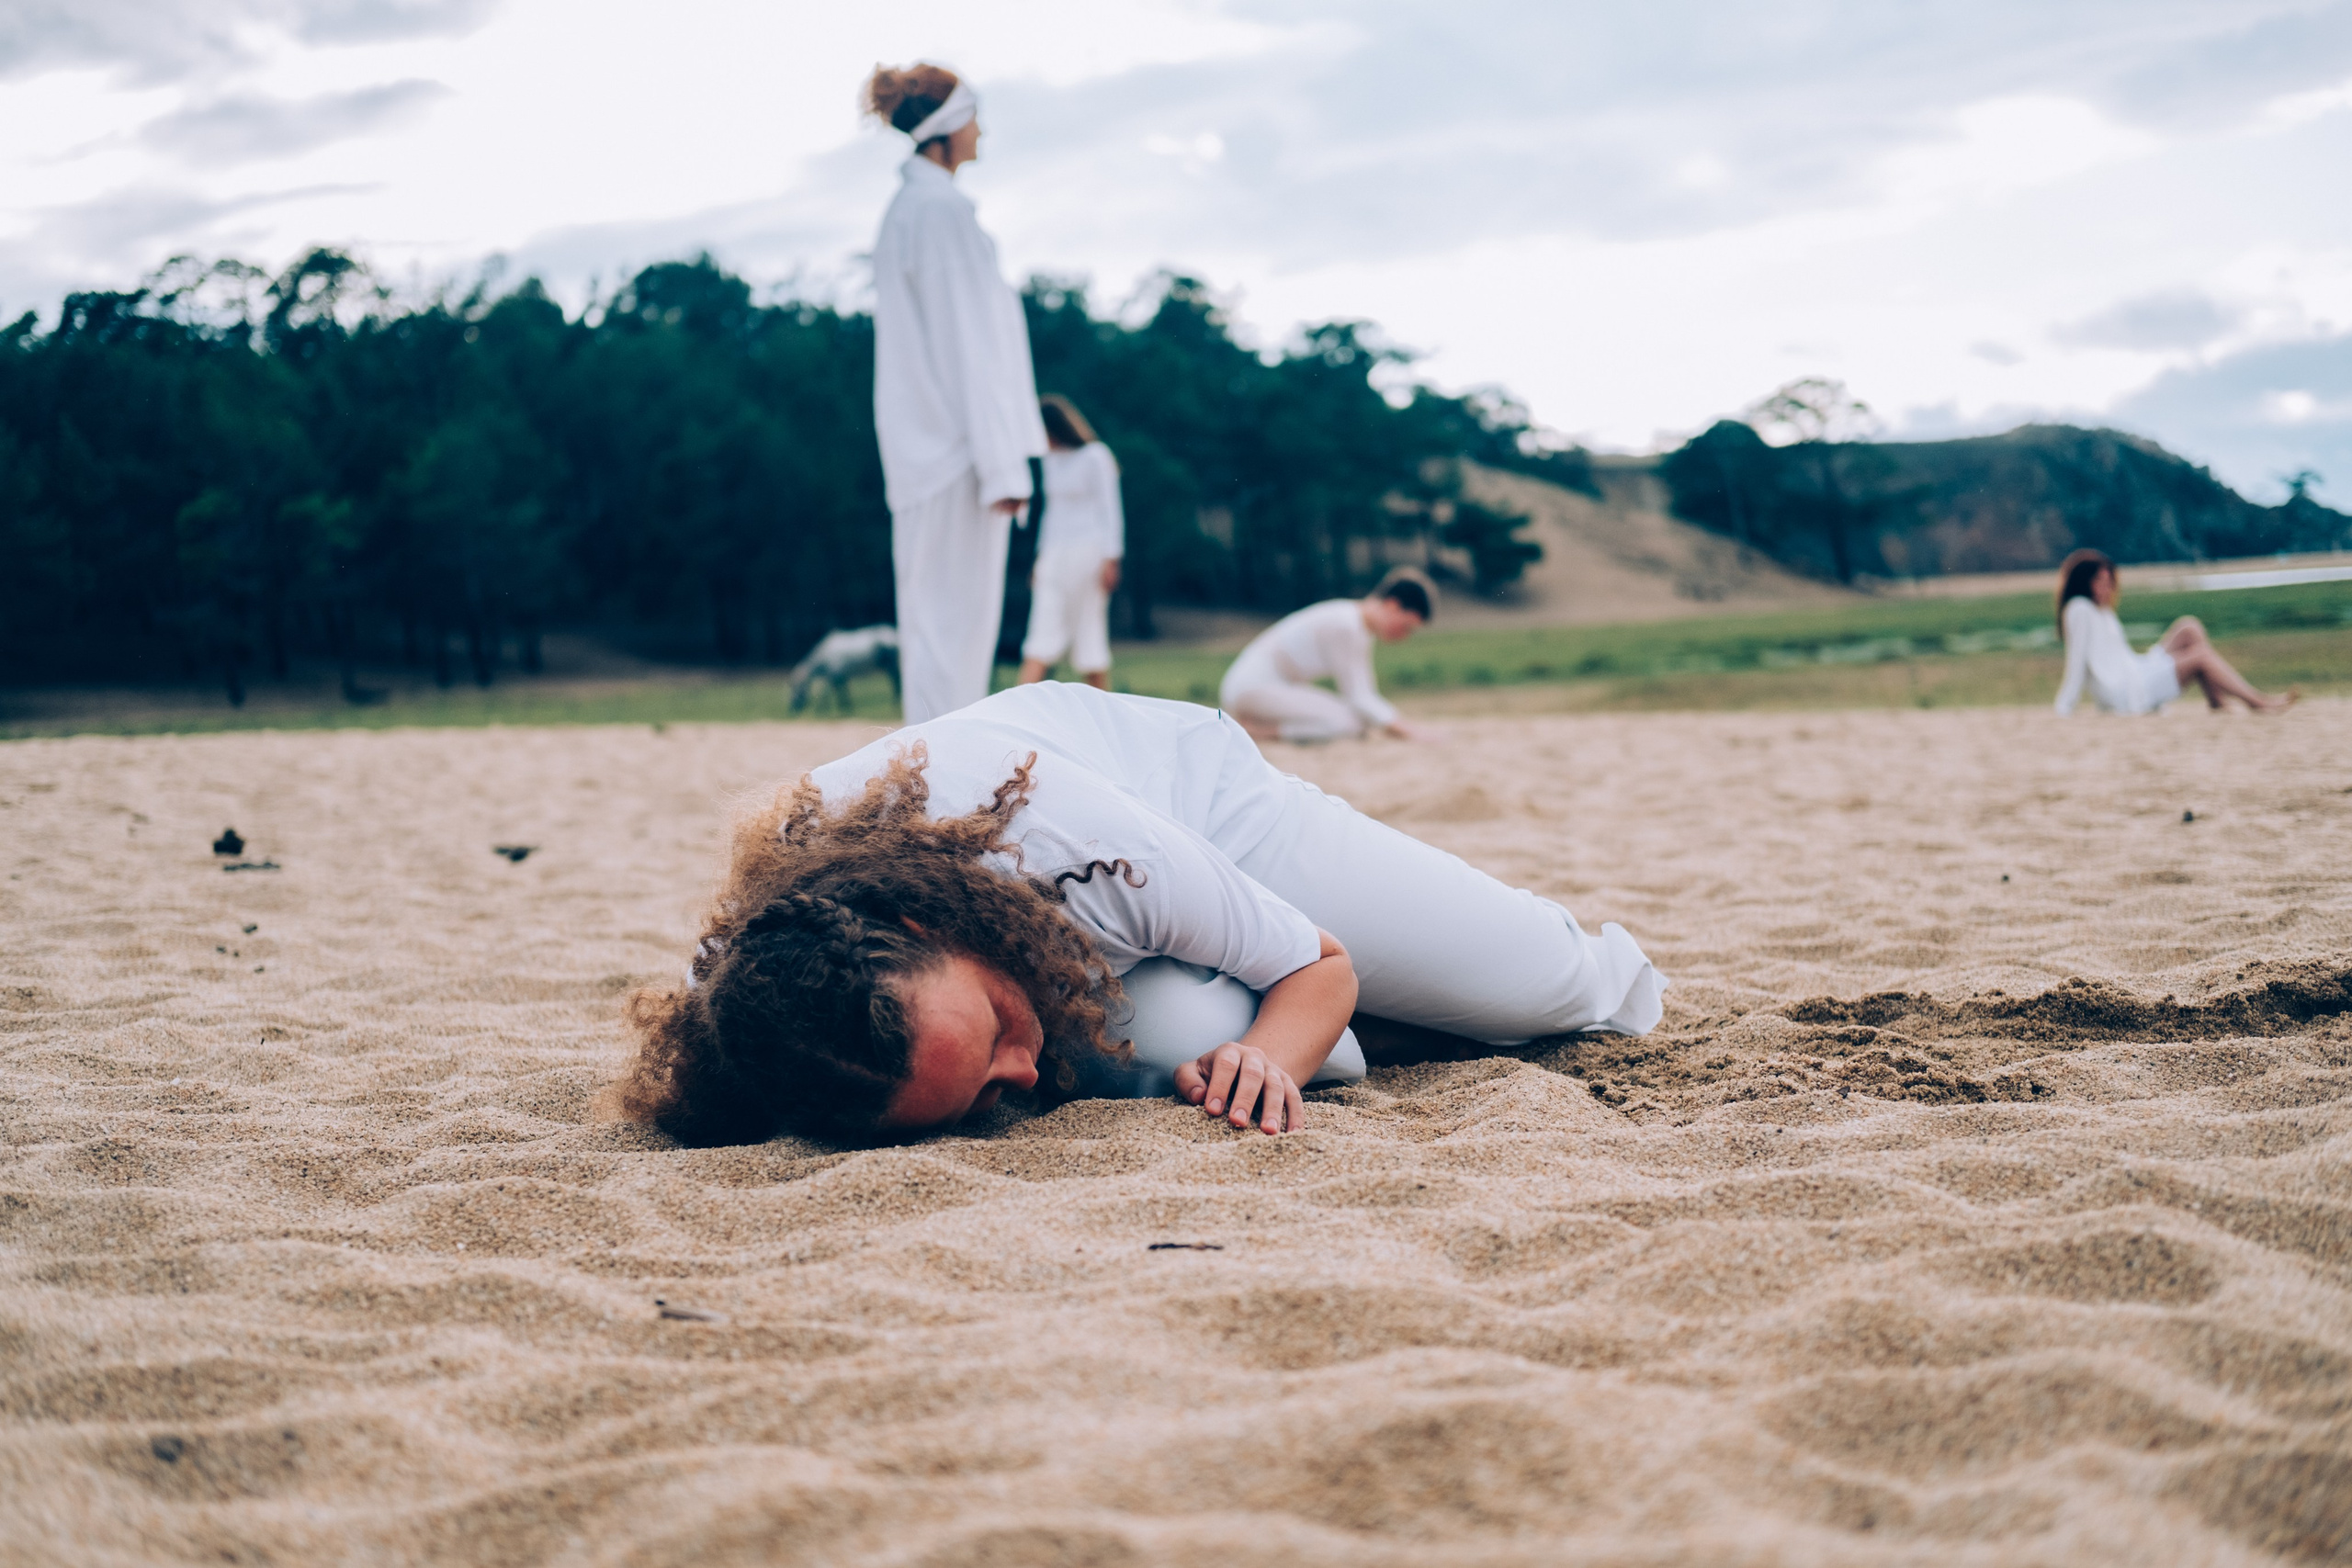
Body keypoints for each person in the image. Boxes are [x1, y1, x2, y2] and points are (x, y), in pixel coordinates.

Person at [608, 682, 1664, 1146]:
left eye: (998, 1036)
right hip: (1084, 937)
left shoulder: (1091, 847)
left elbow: (1322, 968)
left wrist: (1280, 1043)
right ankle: (1329, 1038)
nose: (1026, 1076)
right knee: (1200, 1055)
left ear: (932, 934)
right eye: (982, 1094)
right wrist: (1265, 1062)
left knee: (1549, 993)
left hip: (1196, 808)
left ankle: (1530, 984)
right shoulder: (768, 1012)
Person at [865, 62, 1046, 724]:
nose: (982, 130)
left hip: (934, 449)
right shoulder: (939, 213)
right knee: (953, 630)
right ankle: (938, 790)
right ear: (944, 131)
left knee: (939, 627)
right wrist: (1003, 463)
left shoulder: (915, 211)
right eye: (973, 116)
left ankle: (934, 784)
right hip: (955, 453)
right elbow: (971, 349)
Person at [2052, 548, 2295, 716]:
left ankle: (2217, 702)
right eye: (2101, 582)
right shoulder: (2079, 609)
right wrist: (2065, 706)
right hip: (2127, 693)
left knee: (2189, 627)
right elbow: (2077, 660)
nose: (2108, 589)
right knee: (2200, 656)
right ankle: (2257, 702)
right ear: (2085, 583)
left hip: (2135, 671)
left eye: (2110, 582)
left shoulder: (2101, 610)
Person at [1220, 569, 1434, 743]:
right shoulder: (1347, 625)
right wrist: (1408, 730)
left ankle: (1258, 727)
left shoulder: (1356, 625)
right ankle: (1260, 732)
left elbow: (1364, 692)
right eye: (1406, 627)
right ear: (1392, 605)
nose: (1404, 636)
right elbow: (1359, 696)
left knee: (1356, 719)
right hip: (1253, 688)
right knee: (1349, 723)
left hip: (1258, 687)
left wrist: (1398, 724)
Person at [1017, 395, 1124, 691]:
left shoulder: (1095, 456)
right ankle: (1014, 709)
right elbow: (1051, 514)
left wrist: (1111, 558)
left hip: (1089, 551)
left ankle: (1106, 715)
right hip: (1056, 553)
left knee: (1089, 629)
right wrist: (1040, 559)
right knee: (1042, 627)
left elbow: (1110, 509)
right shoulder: (1051, 461)